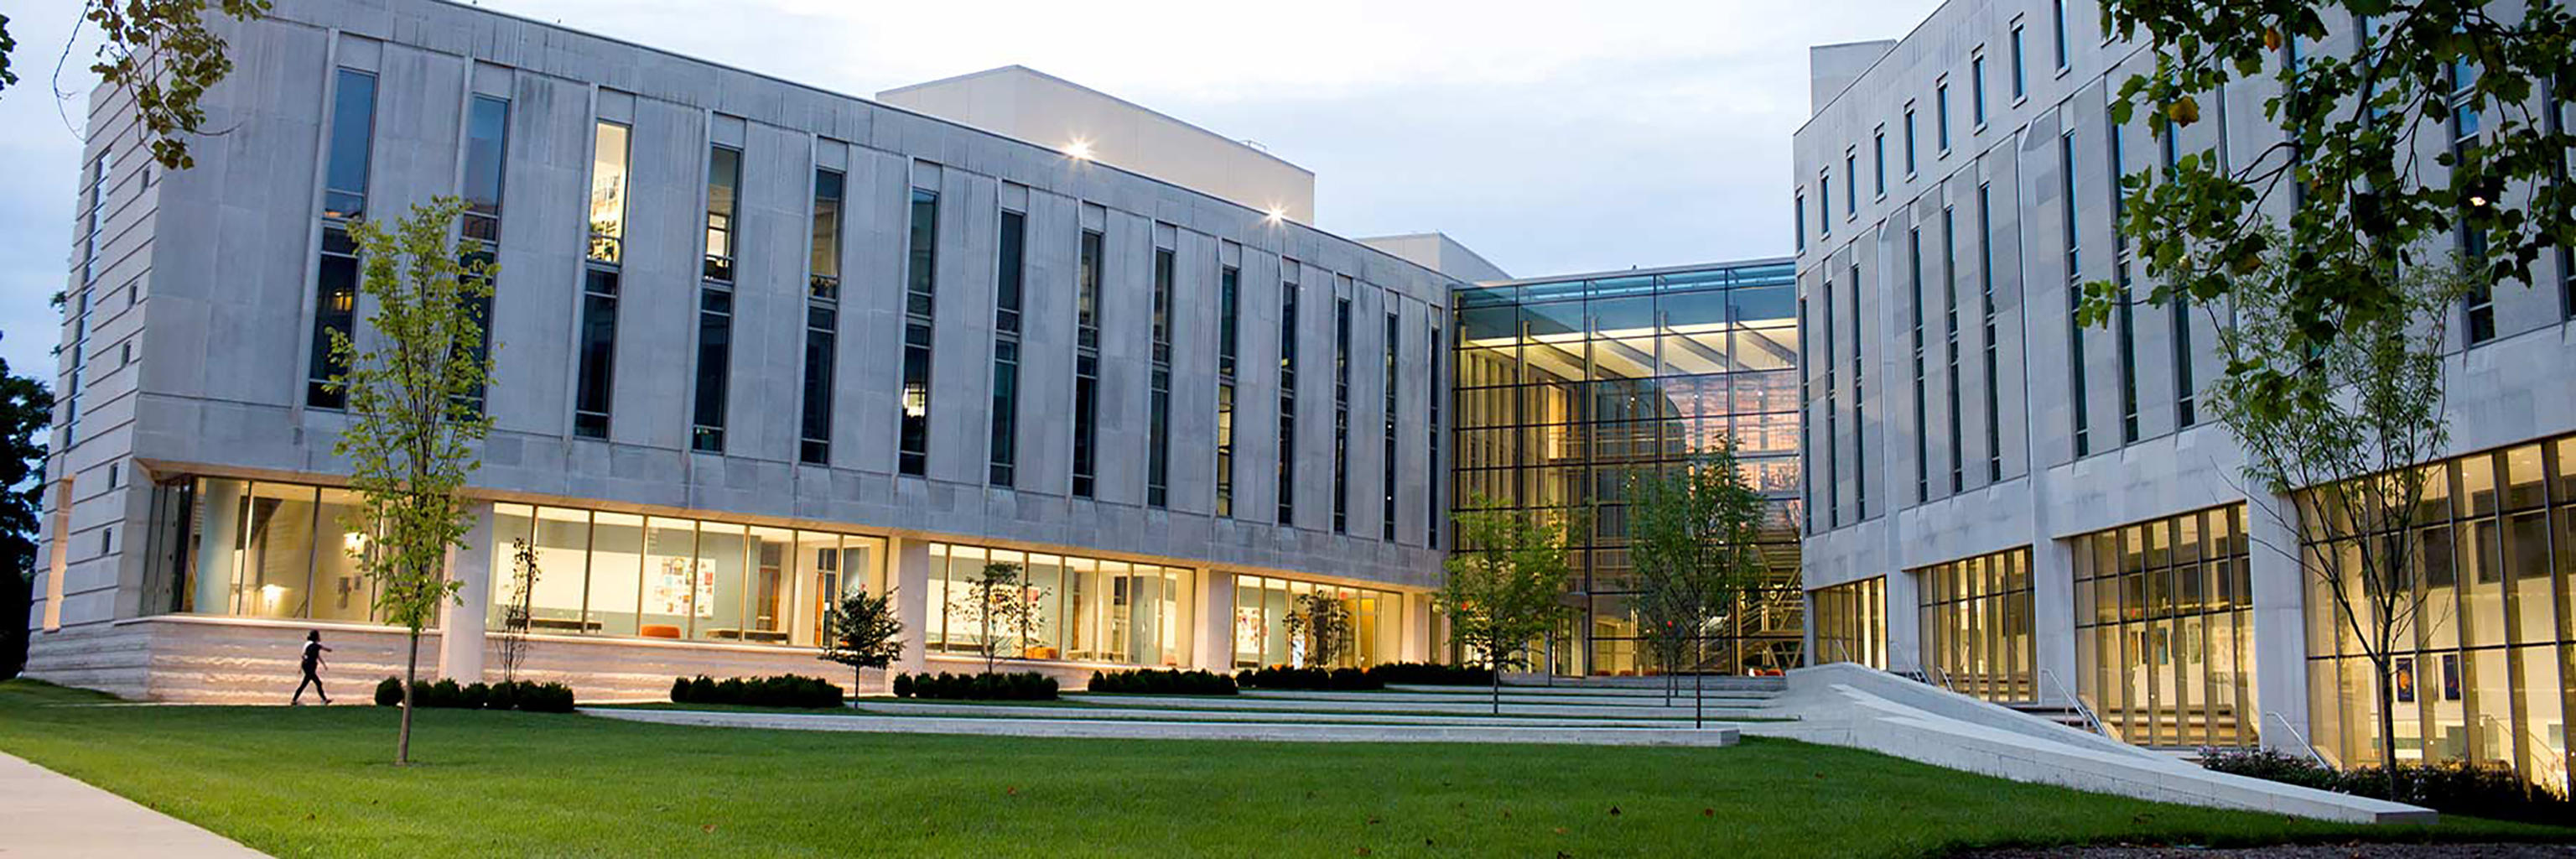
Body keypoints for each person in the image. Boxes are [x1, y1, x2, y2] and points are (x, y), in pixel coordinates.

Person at [292, 630, 333, 705]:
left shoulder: (311, 645)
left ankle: (324, 699)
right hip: (310, 667)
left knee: (316, 683)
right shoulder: (315, 645)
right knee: (313, 683)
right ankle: (294, 700)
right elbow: (327, 650)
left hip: (307, 666)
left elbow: (309, 656)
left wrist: (324, 664)